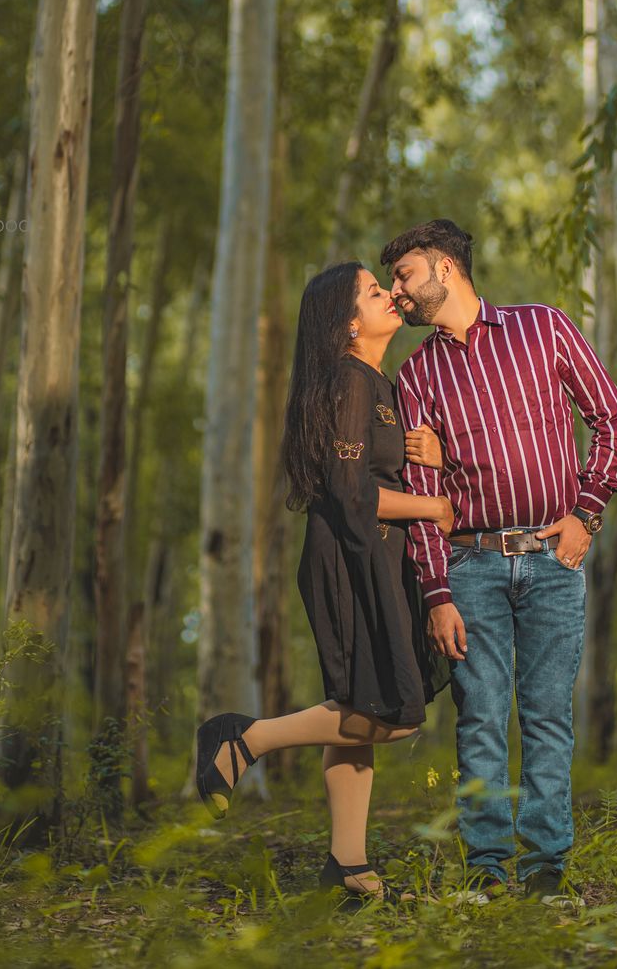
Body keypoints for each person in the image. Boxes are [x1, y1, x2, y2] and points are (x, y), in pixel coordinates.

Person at [383, 220, 617, 905]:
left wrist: (586, 513)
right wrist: (436, 592)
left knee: (549, 715)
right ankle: (488, 871)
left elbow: (612, 418)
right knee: (482, 716)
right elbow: (425, 494)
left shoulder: (544, 327)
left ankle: (546, 872)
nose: (397, 292)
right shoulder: (416, 376)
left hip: (555, 560)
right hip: (472, 567)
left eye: (404, 275)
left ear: (443, 266)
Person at [194, 262, 450, 904]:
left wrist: (431, 458)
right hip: (349, 559)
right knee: (389, 714)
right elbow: (350, 490)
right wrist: (433, 508)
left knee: (359, 704)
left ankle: (349, 866)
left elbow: (375, 473)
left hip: (373, 557)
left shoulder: (373, 382)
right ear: (347, 323)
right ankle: (243, 737)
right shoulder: (350, 380)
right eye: (374, 291)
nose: (391, 295)